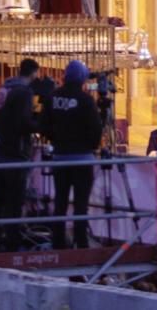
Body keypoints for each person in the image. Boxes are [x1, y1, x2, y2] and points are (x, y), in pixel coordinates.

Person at [41, 60, 102, 249]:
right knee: (80, 204)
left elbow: (43, 124)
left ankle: (58, 240)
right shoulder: (85, 100)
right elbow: (96, 129)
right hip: (82, 158)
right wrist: (90, 145)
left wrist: (56, 139)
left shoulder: (53, 97)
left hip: (60, 157)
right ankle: (80, 241)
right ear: (83, 78)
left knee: (60, 200)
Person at [0, 58, 40, 253]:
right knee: (14, 201)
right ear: (34, 73)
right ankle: (12, 243)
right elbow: (22, 123)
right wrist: (39, 124)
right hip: (14, 152)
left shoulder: (5, 88)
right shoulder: (24, 93)